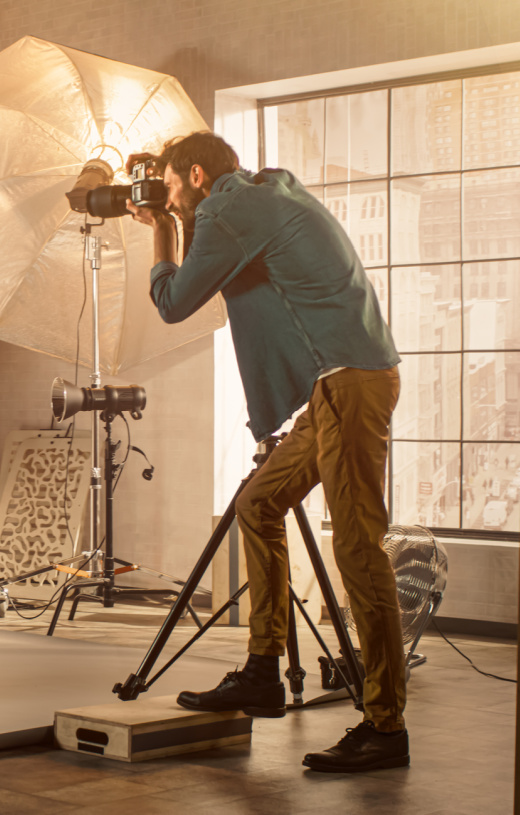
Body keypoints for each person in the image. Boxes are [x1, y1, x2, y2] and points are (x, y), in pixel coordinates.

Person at [126, 132, 407, 772]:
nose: (167, 198)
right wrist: (178, 211)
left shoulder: (227, 210)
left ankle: (386, 725)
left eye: (170, 186)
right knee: (257, 504)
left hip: (348, 385)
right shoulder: (269, 189)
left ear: (197, 176)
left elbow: (173, 301)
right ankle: (262, 670)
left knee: (359, 547)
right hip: (343, 383)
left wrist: (162, 231)